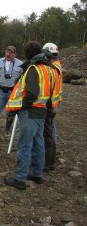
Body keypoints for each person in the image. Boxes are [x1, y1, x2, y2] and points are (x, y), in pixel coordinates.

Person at [4, 41, 55, 190]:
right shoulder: (48, 69)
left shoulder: (33, 69)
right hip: (41, 112)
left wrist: (22, 107)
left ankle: (20, 178)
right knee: (39, 144)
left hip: (30, 113)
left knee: (24, 145)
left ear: (28, 53)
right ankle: (36, 174)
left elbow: (32, 93)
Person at [42, 42, 63, 171]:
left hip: (50, 104)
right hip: (54, 102)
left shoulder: (53, 68)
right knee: (51, 131)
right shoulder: (57, 65)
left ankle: (49, 161)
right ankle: (51, 159)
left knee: (49, 132)